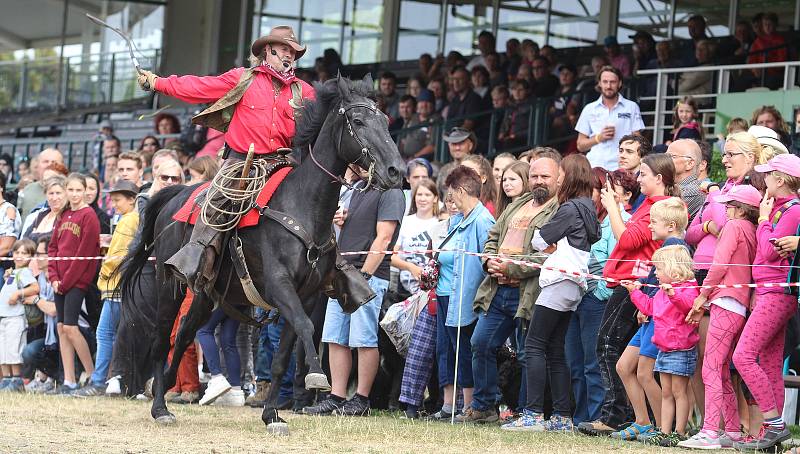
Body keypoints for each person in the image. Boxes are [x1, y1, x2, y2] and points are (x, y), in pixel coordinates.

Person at [137, 25, 315, 293]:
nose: (289, 55)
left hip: (284, 163)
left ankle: (332, 267)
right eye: (284, 49)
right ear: (268, 51)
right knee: (217, 202)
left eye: (293, 51)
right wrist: (158, 82)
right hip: (241, 163)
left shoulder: (305, 92)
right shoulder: (243, 79)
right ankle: (195, 257)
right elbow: (197, 86)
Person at [578, 153, 680, 436]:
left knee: (608, 345)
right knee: (621, 359)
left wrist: (613, 207)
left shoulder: (661, 207)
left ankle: (615, 416)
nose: (638, 178)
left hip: (636, 285)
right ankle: (641, 421)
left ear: (660, 178)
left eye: (644, 174)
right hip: (631, 285)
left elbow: (627, 239)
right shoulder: (646, 205)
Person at [502, 154, 599, 432]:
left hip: (559, 281)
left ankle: (532, 413)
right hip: (574, 284)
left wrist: (549, 244)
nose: (556, 179)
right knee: (555, 351)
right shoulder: (588, 207)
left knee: (534, 345)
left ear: (568, 177)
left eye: (560, 174)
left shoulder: (569, 209)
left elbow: (538, 239)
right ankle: (561, 415)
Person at [459, 156, 557, 424]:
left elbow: (548, 256)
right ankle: (484, 406)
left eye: (544, 177)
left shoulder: (557, 211)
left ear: (558, 178)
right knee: (480, 343)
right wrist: (488, 260)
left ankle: (526, 412)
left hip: (527, 293)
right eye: (535, 176)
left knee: (527, 354)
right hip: (496, 290)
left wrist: (510, 269)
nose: (538, 181)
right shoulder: (518, 205)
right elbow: (492, 237)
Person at [304, 166, 405, 416]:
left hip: (367, 276)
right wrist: (338, 221)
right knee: (335, 338)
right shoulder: (357, 188)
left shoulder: (391, 191)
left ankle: (361, 399)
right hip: (342, 272)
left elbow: (383, 239)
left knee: (364, 340)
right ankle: (337, 396)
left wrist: (365, 277)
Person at [680, 185, 760, 449]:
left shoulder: (735, 227)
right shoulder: (750, 229)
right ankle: (732, 432)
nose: (726, 209)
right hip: (738, 303)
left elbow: (719, 264)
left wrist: (703, 295)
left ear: (740, 208)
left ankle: (711, 431)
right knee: (722, 369)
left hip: (726, 300)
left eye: (729, 205)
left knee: (711, 367)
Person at [731, 154, 800, 450]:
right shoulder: (780, 208)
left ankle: (773, 425)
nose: (764, 181)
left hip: (777, 293)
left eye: (768, 175)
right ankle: (771, 433)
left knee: (743, 356)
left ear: (781, 180)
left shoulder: (792, 211)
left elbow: (770, 252)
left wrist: (762, 220)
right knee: (770, 364)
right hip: (769, 291)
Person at [610, 197, 689, 443]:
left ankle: (661, 427)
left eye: (654, 222)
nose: (649, 226)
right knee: (624, 367)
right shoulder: (664, 247)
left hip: (660, 322)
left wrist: (648, 300)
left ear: (672, 225)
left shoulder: (676, 248)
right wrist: (640, 295)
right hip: (648, 316)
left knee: (644, 373)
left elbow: (672, 284)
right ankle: (643, 421)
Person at [427, 166, 495, 420]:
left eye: (452, 193)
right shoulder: (459, 220)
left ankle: (471, 406)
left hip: (470, 298)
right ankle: (461, 406)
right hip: (450, 295)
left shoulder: (482, 220)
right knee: (455, 352)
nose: (450, 199)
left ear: (461, 190)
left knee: (467, 351)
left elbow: (486, 263)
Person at [566, 168, 632, 426]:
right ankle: (580, 416)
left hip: (598, 299)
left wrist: (599, 292)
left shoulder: (621, 220)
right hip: (577, 294)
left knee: (594, 363)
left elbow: (616, 263)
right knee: (576, 361)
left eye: (603, 189)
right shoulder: (588, 218)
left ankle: (597, 416)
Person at [623, 246, 699, 447]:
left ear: (673, 269)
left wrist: (673, 294)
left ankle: (679, 432)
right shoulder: (660, 292)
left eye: (659, 269)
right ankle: (663, 431)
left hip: (682, 349)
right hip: (664, 348)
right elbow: (649, 308)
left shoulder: (689, 288)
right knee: (666, 391)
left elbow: (687, 307)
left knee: (678, 391)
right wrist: (634, 293)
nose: (655, 273)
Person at [70, 181, 139, 397]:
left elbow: (118, 256)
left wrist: (103, 272)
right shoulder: (130, 220)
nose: (114, 204)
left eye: (118, 199)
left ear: (131, 200)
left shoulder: (128, 221)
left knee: (105, 333)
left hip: (116, 284)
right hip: (123, 285)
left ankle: (99, 381)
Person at [48, 173, 100, 394]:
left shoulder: (89, 216)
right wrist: (53, 278)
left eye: (80, 190)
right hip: (59, 281)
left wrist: (65, 281)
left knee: (70, 326)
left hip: (77, 281)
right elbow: (52, 249)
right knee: (61, 328)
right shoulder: (63, 215)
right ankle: (69, 380)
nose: (76, 194)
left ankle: (91, 374)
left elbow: (84, 254)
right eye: (72, 190)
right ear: (66, 190)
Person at [575, 66, 644, 171]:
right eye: (605, 82)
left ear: (619, 83)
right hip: (595, 165)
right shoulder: (589, 109)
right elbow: (580, 145)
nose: (608, 86)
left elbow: (638, 140)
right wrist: (599, 137)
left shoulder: (631, 107)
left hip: (622, 166)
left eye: (612, 82)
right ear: (599, 83)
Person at [20, 235, 58, 394]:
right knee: (28, 350)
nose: (37, 258)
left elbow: (53, 310)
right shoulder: (40, 278)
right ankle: (46, 378)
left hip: (66, 333)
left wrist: (35, 299)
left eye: (41, 254)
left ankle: (60, 379)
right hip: (48, 335)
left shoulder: (58, 276)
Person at [0, 239, 39, 392]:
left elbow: (35, 288)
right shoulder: (14, 272)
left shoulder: (25, 272)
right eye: (17, 252)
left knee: (13, 348)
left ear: (30, 257)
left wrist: (18, 293)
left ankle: (16, 379)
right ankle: (7, 378)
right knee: (3, 349)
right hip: (4, 317)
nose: (20, 256)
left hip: (15, 317)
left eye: (24, 253)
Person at [391, 179, 442, 294]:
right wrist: (410, 267)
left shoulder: (441, 223)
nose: (423, 199)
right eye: (419, 194)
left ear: (435, 198)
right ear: (414, 197)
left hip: (434, 289)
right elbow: (390, 256)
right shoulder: (405, 221)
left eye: (427, 195)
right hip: (405, 289)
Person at [665, 139, 706, 222]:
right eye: (665, 156)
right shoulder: (677, 187)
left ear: (690, 164)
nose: (664, 160)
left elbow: (664, 223)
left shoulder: (692, 192)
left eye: (672, 156)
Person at [17, 148, 64, 219]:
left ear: (62, 166)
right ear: (38, 166)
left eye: (54, 162)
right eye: (45, 161)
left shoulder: (70, 190)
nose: (49, 165)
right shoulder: (28, 189)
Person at [21, 176, 67, 245]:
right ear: (46, 195)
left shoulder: (68, 217)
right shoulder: (41, 215)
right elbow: (24, 240)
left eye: (58, 193)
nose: (54, 198)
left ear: (66, 194)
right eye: (51, 193)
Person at [437, 127, 476, 198]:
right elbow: (438, 198)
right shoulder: (444, 170)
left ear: (470, 145)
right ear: (449, 146)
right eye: (454, 144)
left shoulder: (478, 167)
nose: (457, 148)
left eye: (461, 143)